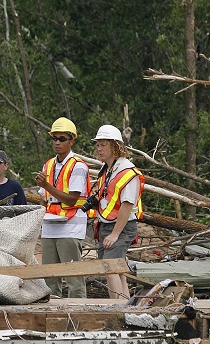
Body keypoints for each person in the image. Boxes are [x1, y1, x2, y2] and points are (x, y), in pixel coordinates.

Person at [34, 118, 90, 298]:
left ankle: (79, 311)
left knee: (73, 277)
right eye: (54, 138)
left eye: (62, 139)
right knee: (49, 277)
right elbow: (44, 197)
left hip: (71, 226)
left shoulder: (78, 166)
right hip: (50, 225)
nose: (57, 142)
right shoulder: (49, 164)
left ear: (71, 141)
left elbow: (72, 199)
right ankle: (51, 310)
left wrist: (47, 186)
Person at [91, 124, 144, 299]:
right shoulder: (108, 170)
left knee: (110, 268)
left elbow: (127, 205)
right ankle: (125, 306)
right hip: (107, 225)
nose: (99, 148)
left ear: (115, 146)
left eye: (103, 144)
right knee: (118, 269)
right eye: (98, 144)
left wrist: (115, 234)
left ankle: (117, 308)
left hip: (120, 227)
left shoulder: (128, 172)